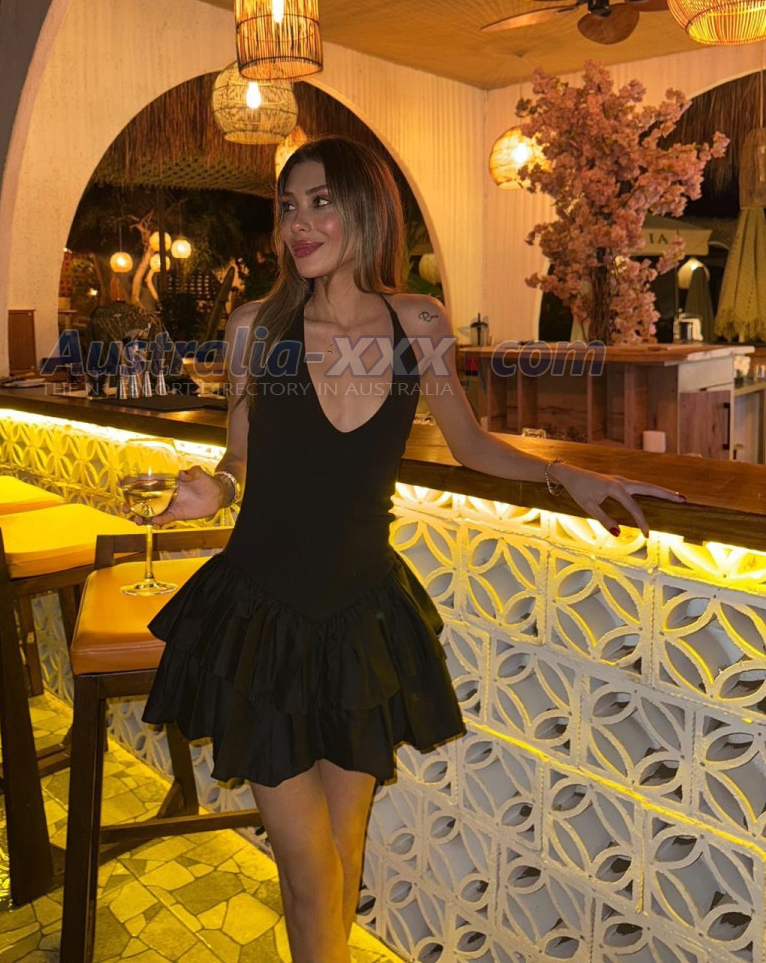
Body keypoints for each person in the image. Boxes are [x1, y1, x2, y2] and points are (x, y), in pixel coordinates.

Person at [140, 136, 685, 963]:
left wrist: (562, 473)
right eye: (287, 207)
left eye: (320, 202)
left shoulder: (417, 322)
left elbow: (469, 442)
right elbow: (238, 456)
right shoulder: (257, 326)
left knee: (345, 844)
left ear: (366, 209)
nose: (298, 223)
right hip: (261, 616)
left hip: (361, 617)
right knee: (306, 867)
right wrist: (212, 486)